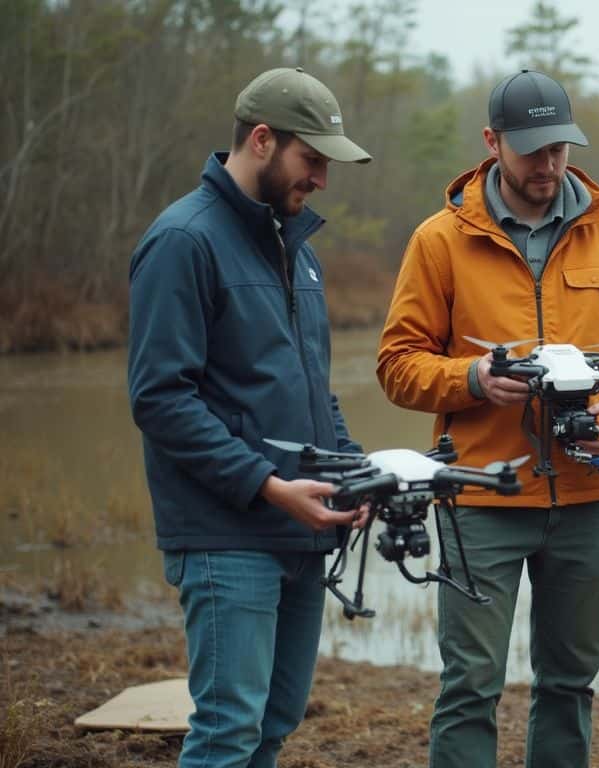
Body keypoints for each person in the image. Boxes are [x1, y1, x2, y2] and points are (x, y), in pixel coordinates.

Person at [376, 69, 599, 768]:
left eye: (559, 148)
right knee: (471, 684)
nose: (548, 164)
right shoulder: (440, 241)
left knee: (570, 683)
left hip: (583, 495)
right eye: (532, 150)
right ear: (492, 142)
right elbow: (396, 364)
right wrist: (473, 379)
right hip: (479, 495)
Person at [127, 67, 372, 768]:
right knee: (228, 730)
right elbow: (160, 398)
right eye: (312, 159)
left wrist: (355, 471)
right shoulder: (183, 241)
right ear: (262, 140)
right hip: (225, 534)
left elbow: (312, 388)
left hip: (300, 530)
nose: (321, 179)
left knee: (274, 722)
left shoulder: (298, 251)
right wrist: (267, 485)